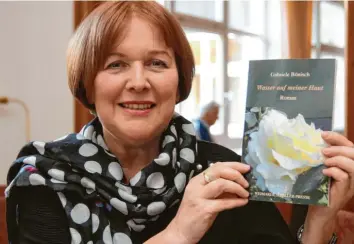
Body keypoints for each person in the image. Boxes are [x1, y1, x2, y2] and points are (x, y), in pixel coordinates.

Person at [5, 2, 354, 244]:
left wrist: (319, 225)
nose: (139, 81)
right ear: (87, 83)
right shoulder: (47, 179)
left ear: (180, 81)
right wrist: (180, 233)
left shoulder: (227, 173)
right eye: (115, 65)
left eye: (157, 63)